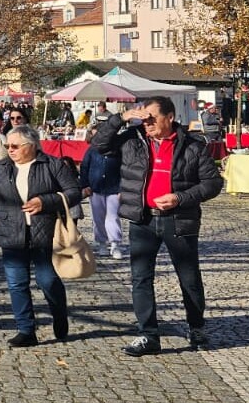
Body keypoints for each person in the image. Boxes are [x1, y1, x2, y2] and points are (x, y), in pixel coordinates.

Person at [89, 96, 224, 356]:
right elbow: (99, 145)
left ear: (170, 117)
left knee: (189, 277)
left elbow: (212, 184)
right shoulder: (132, 139)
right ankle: (148, 335)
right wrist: (121, 118)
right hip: (143, 219)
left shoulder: (193, 146)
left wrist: (179, 198)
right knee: (141, 279)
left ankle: (196, 327)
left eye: (152, 118)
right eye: (144, 118)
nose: (147, 123)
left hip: (179, 219)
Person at [0, 124, 82, 347]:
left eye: (15, 146)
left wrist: (46, 201)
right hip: (12, 234)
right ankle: (26, 330)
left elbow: (74, 192)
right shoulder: (2, 168)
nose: (10, 149)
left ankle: (59, 314)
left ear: (31, 146)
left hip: (45, 233)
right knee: (16, 283)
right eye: (8, 145)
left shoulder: (52, 165)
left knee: (47, 280)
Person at [79, 141, 123, 260]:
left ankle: (115, 243)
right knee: (97, 217)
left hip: (114, 188)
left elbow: (125, 169)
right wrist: (85, 184)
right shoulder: (92, 150)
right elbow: (84, 167)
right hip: (95, 189)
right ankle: (102, 242)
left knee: (113, 217)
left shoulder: (118, 150)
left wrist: (123, 188)